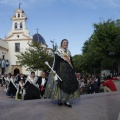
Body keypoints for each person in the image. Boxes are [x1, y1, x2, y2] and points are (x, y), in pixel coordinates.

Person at [45, 39, 80, 107]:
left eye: (66, 43)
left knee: (69, 84)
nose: (65, 44)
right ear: (61, 44)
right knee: (60, 85)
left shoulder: (68, 52)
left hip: (69, 71)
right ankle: (59, 100)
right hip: (60, 69)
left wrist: (74, 70)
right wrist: (54, 70)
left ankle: (67, 101)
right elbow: (56, 61)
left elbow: (71, 62)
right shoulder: (58, 51)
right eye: (64, 43)